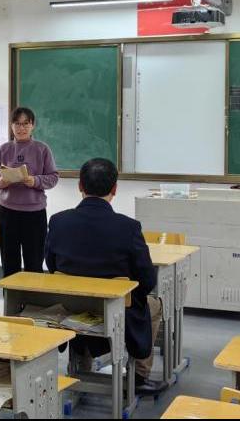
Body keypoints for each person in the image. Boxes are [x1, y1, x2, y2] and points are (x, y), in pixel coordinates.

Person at [45, 158, 166, 393]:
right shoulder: (128, 227)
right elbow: (147, 279)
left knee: (82, 298)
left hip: (71, 308)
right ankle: (139, 376)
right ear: (115, 189)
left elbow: (51, 265)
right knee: (154, 305)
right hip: (116, 309)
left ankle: (80, 368)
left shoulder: (58, 221)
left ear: (80, 186)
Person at [0, 107, 59, 277]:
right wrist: (0, 181)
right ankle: (10, 294)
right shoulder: (4, 149)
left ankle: (31, 295)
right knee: (9, 261)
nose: (21, 128)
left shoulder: (42, 149)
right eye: (17, 124)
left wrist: (35, 181)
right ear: (11, 126)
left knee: (34, 262)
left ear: (32, 125)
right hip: (7, 212)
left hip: (34, 213)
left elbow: (53, 177)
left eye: (25, 124)